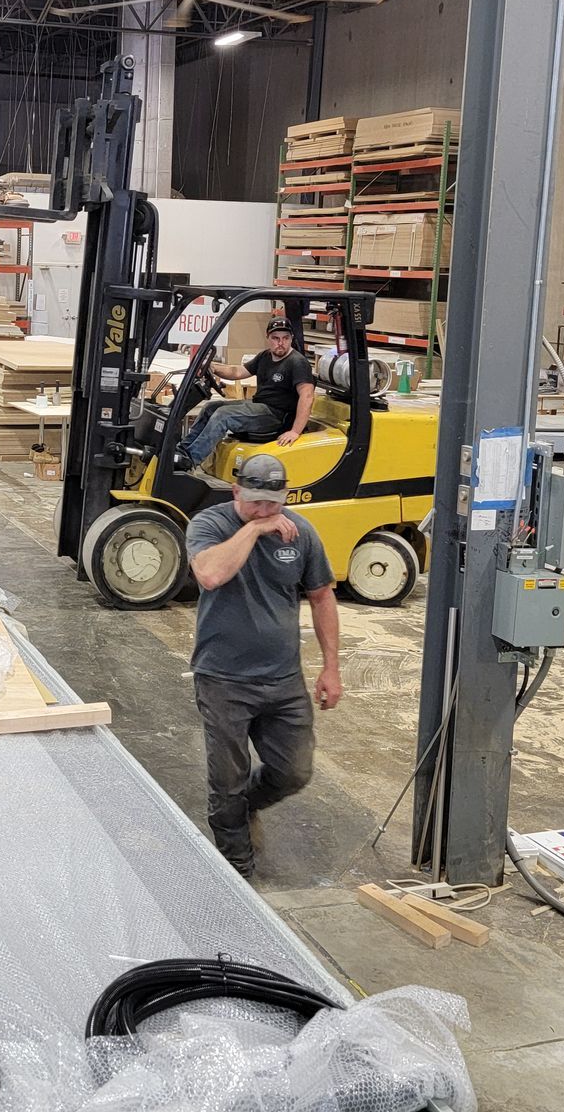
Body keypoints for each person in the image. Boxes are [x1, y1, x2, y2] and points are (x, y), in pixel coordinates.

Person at [183, 453, 342, 877]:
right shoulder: (210, 525)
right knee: (227, 779)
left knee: (295, 771)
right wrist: (254, 529)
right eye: (255, 503)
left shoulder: (301, 533)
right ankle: (237, 868)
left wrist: (331, 667)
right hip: (223, 679)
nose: (266, 511)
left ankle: (245, 807)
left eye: (273, 504)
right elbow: (211, 575)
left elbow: (323, 597)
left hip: (283, 678)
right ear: (236, 492)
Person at [179, 317, 317, 467]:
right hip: (260, 406)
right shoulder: (265, 356)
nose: (280, 343)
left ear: (291, 338)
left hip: (276, 416)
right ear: (268, 338)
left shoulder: (297, 362)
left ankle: (190, 460)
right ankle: (182, 451)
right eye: (275, 338)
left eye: (285, 338)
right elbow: (238, 372)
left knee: (223, 415)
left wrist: (295, 431)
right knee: (210, 408)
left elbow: (307, 396)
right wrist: (213, 367)